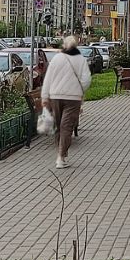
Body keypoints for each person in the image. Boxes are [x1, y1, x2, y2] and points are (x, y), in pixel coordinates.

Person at [41, 35, 91, 169]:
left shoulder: (56, 58)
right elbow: (86, 80)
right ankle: (61, 157)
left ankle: (60, 152)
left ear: (64, 46)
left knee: (59, 126)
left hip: (55, 97)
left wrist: (45, 97)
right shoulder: (81, 60)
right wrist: (80, 90)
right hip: (73, 98)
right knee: (67, 127)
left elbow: (48, 79)